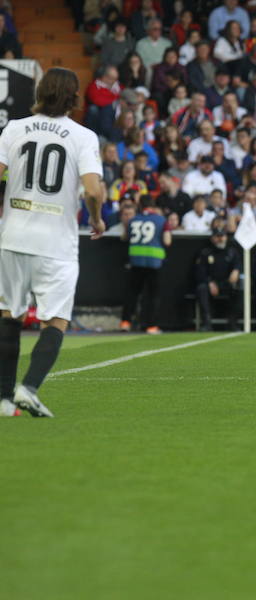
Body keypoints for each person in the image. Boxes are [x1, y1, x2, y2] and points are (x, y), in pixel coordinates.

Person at [0, 68, 106, 418]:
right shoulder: (82, 136)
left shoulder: (14, 128)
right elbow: (92, 189)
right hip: (56, 243)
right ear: (74, 97)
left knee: (9, 315)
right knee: (55, 320)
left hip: (12, 237)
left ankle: (2, 400)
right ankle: (28, 388)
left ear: (40, 92)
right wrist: (95, 218)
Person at [121, 195, 172, 334]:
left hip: (136, 261)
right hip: (154, 262)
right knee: (152, 295)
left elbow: (124, 237)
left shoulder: (133, 220)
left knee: (132, 293)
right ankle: (151, 326)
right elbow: (167, 241)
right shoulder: (161, 220)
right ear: (153, 206)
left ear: (140, 205)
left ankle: (125, 322)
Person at [194, 229, 241, 331]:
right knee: (201, 288)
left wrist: (236, 270)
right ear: (212, 238)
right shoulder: (205, 253)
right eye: (217, 236)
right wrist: (209, 282)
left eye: (222, 236)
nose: (220, 239)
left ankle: (233, 322)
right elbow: (200, 272)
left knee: (240, 290)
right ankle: (207, 322)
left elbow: (238, 265)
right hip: (211, 284)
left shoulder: (232, 252)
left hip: (227, 284)